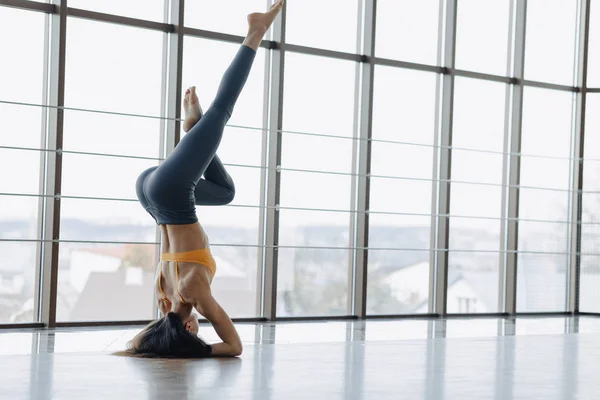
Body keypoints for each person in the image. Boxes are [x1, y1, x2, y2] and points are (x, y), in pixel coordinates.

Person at [124, 0, 284, 358]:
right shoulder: (164, 298)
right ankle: (196, 132)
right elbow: (138, 344)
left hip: (171, 195)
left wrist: (198, 350)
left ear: (186, 328)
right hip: (152, 195)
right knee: (225, 193)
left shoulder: (193, 291)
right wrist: (173, 340)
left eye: (193, 332)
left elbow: (235, 346)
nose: (199, 328)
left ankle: (255, 31)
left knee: (223, 108)